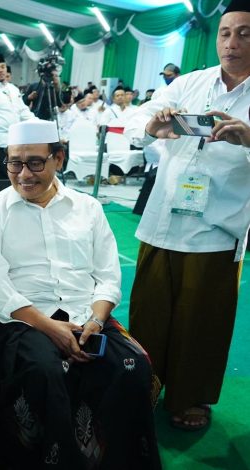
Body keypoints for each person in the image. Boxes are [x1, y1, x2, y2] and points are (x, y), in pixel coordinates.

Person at [0, 119, 160, 469]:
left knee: (133, 366)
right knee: (46, 373)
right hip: (24, 321)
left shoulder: (87, 208)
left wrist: (96, 320)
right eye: (14, 163)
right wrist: (50, 328)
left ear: (58, 159)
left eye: (35, 163)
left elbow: (107, 276)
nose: (23, 174)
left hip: (86, 317)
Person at [124, 0, 250, 431]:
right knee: (148, 312)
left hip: (217, 228)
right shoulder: (190, 83)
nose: (231, 43)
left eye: (244, 34)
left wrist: (248, 139)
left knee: (202, 320)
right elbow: (138, 118)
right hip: (162, 220)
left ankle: (189, 397)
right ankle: (142, 385)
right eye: (225, 33)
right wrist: (152, 125)